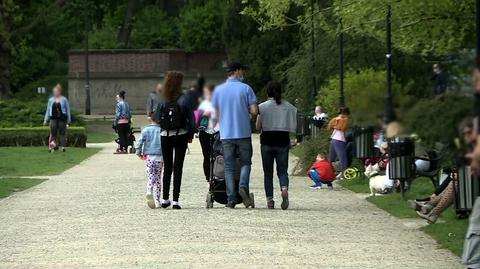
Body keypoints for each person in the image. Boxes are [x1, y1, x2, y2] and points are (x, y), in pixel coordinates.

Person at [212, 62, 258, 209]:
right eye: (242, 70)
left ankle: (231, 199)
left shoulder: (219, 90)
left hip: (226, 134)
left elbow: (215, 114)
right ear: (237, 71)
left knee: (229, 167)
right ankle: (243, 186)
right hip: (243, 132)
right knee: (245, 162)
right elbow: (254, 111)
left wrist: (213, 126)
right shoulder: (246, 88)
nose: (243, 73)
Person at [154, 71, 194, 210]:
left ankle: (165, 199)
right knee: (178, 167)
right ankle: (176, 200)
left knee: (167, 167)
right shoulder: (184, 98)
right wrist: (191, 133)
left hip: (165, 135)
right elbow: (191, 118)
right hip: (181, 134)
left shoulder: (162, 98)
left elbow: (157, 117)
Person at [256, 80, 297, 210]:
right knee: (282, 170)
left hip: (267, 141)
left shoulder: (262, 107)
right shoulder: (289, 107)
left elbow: (258, 126)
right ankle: (284, 188)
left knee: (268, 173)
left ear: (267, 92)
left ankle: (270, 200)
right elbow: (293, 126)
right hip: (283, 141)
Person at [135, 112, 163, 209]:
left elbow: (140, 142)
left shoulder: (146, 130)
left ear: (150, 119)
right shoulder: (162, 130)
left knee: (150, 176)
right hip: (160, 157)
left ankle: (149, 191)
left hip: (149, 157)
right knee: (158, 179)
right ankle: (157, 200)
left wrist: (138, 152)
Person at [198, 84, 218, 182]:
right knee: (206, 156)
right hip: (205, 131)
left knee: (218, 154)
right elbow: (197, 117)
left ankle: (217, 174)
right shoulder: (204, 103)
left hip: (217, 131)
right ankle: (208, 177)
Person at [43, 84, 71, 152]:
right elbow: (48, 110)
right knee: (53, 133)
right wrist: (46, 120)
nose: (55, 92)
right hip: (53, 118)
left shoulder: (64, 99)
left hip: (62, 118)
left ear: (59, 91)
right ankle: (53, 146)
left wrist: (68, 121)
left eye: (56, 91)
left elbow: (68, 110)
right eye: (54, 91)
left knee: (62, 133)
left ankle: (63, 147)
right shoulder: (51, 100)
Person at [327, 107, 350, 179]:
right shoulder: (343, 119)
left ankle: (336, 173)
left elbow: (330, 127)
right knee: (341, 157)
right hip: (338, 139)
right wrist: (337, 124)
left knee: (335, 157)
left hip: (336, 138)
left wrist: (335, 125)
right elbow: (342, 128)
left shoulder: (338, 119)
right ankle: (342, 173)